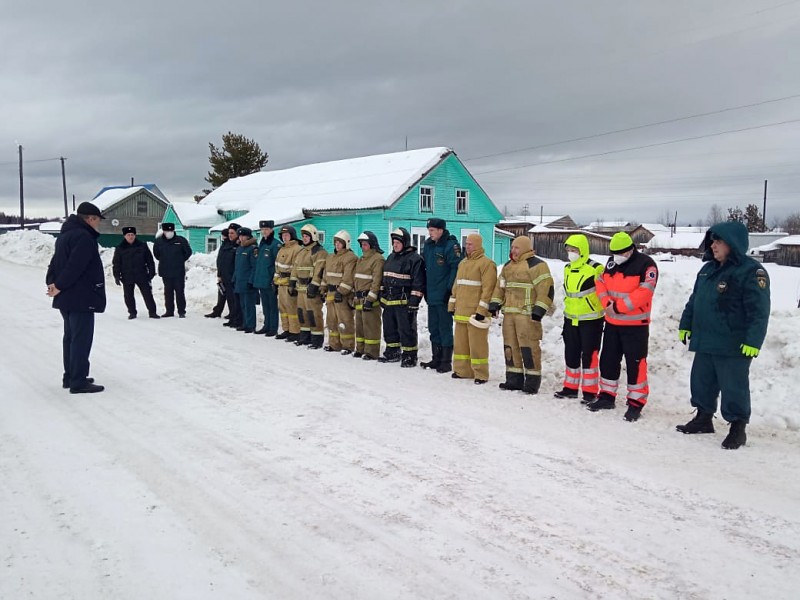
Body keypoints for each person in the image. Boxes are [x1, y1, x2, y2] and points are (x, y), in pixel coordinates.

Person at [676, 221, 770, 449]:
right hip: (706, 339)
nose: (713, 245)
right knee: (701, 381)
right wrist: (686, 323)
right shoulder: (707, 269)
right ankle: (703, 418)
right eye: (712, 241)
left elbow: (759, 311)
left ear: (733, 243)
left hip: (732, 344)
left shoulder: (751, 271)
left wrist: (753, 341)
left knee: (733, 386)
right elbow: (695, 300)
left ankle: (738, 427)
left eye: (718, 241)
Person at [588, 232, 658, 422]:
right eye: (614, 252)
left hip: (636, 326)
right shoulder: (611, 263)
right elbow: (600, 282)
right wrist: (607, 304)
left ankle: (636, 403)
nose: (616, 256)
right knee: (608, 360)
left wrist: (618, 307)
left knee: (636, 364)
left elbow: (644, 292)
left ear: (630, 250)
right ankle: (607, 396)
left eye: (620, 253)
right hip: (612, 324)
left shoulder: (646, 265)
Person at [46, 201, 106, 394]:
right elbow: (75, 266)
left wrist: (52, 283)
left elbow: (55, 263)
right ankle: (78, 381)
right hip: (81, 296)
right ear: (90, 219)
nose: (98, 224)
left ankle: (70, 376)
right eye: (97, 220)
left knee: (70, 337)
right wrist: (60, 285)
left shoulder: (65, 235)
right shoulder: (84, 237)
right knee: (81, 339)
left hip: (67, 298)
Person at [489, 235, 554, 394]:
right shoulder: (508, 266)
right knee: (510, 347)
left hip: (528, 316)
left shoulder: (537, 265)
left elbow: (546, 289)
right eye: (512, 248)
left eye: (516, 248)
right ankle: (514, 380)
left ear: (525, 248)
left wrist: (539, 310)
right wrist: (494, 304)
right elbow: (500, 287)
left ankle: (531, 383)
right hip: (509, 315)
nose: (513, 251)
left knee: (529, 348)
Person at [553, 234, 605, 403]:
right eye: (568, 250)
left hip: (591, 321)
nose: (570, 253)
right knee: (571, 354)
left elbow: (604, 292)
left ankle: (590, 392)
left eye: (574, 250)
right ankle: (570, 388)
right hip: (570, 319)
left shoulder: (596, 268)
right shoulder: (567, 268)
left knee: (589, 355)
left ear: (582, 251)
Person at [447, 233, 497, 384]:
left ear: (478, 245)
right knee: (461, 345)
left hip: (476, 315)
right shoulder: (463, 263)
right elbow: (457, 285)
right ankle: (462, 371)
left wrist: (482, 311)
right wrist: (452, 304)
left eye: (470, 244)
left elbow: (489, 289)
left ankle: (481, 373)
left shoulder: (487, 264)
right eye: (466, 243)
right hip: (461, 312)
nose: (467, 246)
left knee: (478, 346)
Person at [379, 227, 426, 367]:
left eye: (398, 242)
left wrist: (414, 301)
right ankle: (392, 352)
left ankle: (409, 356)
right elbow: (384, 278)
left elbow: (418, 282)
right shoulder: (390, 257)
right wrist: (382, 294)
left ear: (405, 242)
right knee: (389, 328)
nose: (395, 245)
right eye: (394, 242)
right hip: (389, 301)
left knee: (406, 330)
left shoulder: (415, 259)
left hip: (404, 302)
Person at [420, 218, 462, 373]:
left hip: (443, 294)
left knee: (445, 327)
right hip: (431, 293)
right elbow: (425, 268)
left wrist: (449, 290)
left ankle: (445, 361)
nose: (429, 233)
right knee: (433, 327)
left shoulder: (451, 246)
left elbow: (455, 268)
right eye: (429, 230)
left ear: (440, 230)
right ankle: (436, 358)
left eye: (432, 230)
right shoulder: (429, 245)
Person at [291, 224, 328, 349]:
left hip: (311, 289)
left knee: (313, 314)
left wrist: (315, 284)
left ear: (313, 236)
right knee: (302, 314)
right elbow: (295, 268)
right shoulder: (302, 252)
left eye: (307, 236)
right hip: (301, 289)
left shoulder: (319, 252)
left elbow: (320, 270)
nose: (305, 238)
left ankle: (316, 339)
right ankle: (304, 337)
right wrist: (292, 282)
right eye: (303, 236)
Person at [112, 226, 160, 320]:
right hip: (127, 275)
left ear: (135, 235)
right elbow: (116, 263)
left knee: (147, 294)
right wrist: (117, 276)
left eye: (132, 235)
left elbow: (150, 260)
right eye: (128, 235)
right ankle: (132, 312)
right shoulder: (120, 248)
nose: (130, 236)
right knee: (128, 295)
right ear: (124, 236)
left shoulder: (142, 246)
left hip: (141, 274)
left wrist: (152, 272)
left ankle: (152, 312)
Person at [322, 230, 357, 354]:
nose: (337, 245)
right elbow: (325, 275)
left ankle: (348, 345)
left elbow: (348, 277)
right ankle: (334, 344)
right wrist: (323, 289)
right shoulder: (330, 257)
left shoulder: (350, 258)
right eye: (336, 242)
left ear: (346, 243)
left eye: (340, 242)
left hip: (343, 295)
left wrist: (341, 291)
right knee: (331, 320)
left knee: (345, 320)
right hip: (331, 293)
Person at [353, 231, 385, 360]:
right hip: (359, 298)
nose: (362, 247)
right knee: (360, 326)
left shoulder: (378, 259)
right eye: (361, 244)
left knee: (371, 326)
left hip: (369, 299)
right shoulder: (361, 259)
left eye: (365, 244)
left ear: (372, 245)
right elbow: (357, 279)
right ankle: (360, 349)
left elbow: (376, 281)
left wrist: (370, 299)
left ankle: (371, 352)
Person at [153, 222, 192, 318]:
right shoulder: (159, 242)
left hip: (178, 271)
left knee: (179, 292)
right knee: (168, 292)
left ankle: (181, 311)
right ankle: (169, 311)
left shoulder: (181, 240)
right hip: (165, 271)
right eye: (167, 231)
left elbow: (188, 252)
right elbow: (156, 254)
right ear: (164, 231)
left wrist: (180, 260)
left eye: (171, 230)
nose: (169, 232)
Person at [273, 225, 303, 342]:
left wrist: (293, 283)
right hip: (281, 283)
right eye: (283, 235)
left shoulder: (297, 249)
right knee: (283, 308)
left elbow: (296, 267)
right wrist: (275, 282)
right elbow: (277, 267)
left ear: (292, 236)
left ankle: (295, 331)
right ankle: (286, 329)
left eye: (287, 235)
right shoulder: (282, 249)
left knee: (292, 309)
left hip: (289, 283)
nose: (284, 238)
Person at [207, 223, 240, 325]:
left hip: (232, 276)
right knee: (223, 294)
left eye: (232, 233)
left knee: (232, 298)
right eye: (228, 233)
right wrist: (219, 274)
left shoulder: (237, 245)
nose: (229, 235)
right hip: (224, 275)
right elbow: (221, 260)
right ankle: (221, 312)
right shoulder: (226, 244)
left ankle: (234, 316)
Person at [252, 220, 281, 336]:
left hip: (270, 280)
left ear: (271, 230)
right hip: (261, 280)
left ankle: (273, 327)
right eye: (262, 230)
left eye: (266, 229)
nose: (264, 232)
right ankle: (266, 325)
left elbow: (277, 264)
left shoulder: (275, 244)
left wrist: (274, 280)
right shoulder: (262, 243)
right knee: (265, 305)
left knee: (272, 305)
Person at [232, 227, 258, 333]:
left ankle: (251, 325)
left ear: (248, 236)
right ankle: (245, 323)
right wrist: (234, 278)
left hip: (247, 281)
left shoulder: (252, 249)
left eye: (243, 236)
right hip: (239, 281)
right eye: (240, 236)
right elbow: (237, 266)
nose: (241, 238)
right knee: (242, 304)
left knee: (249, 305)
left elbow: (254, 266)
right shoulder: (240, 248)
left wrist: (251, 281)